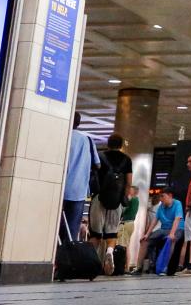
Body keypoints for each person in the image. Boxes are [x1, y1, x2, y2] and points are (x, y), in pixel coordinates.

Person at [89, 135, 134, 272]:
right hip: (116, 200)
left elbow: (92, 175)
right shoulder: (126, 160)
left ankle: (91, 261)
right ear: (121, 145)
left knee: (95, 234)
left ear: (108, 144)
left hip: (99, 197)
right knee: (112, 232)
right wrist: (125, 197)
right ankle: (109, 251)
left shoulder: (100, 156)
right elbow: (129, 182)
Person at [61, 112, 97, 245]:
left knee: (55, 227)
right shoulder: (87, 140)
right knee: (72, 230)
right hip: (79, 191)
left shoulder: (62, 136)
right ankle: (67, 258)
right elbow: (97, 164)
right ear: (79, 123)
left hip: (60, 189)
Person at [142, 189, 184, 276]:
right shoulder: (161, 206)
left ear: (170, 196)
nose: (161, 199)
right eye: (160, 196)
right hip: (164, 229)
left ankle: (164, 267)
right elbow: (155, 220)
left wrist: (172, 233)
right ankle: (150, 266)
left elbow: (177, 219)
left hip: (177, 228)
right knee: (147, 240)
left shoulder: (177, 203)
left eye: (163, 196)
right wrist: (147, 234)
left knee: (170, 240)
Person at [118, 184, 141, 272]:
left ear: (134, 191)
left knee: (123, 245)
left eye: (130, 189)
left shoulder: (132, 199)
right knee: (127, 245)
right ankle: (127, 266)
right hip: (131, 224)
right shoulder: (137, 200)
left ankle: (125, 267)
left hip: (126, 223)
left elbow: (124, 210)